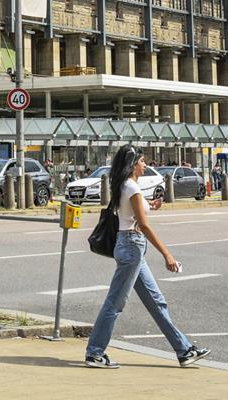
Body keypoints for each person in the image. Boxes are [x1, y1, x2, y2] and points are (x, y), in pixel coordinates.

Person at [84, 144, 209, 369]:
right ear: (133, 165)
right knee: (115, 302)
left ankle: (184, 351)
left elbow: (131, 213)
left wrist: (150, 205)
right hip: (132, 247)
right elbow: (143, 225)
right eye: (142, 161)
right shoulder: (131, 187)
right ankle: (95, 352)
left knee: (156, 301)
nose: (145, 165)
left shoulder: (126, 186)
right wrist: (167, 254)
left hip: (132, 247)